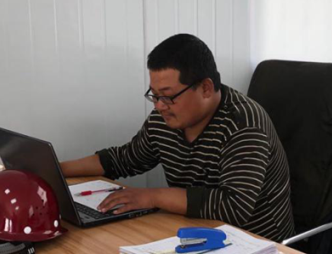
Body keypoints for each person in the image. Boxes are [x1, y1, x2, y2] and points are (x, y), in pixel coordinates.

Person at [60, 34, 295, 242]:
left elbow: (233, 207)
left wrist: (152, 197)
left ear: (205, 88)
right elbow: (123, 159)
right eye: (154, 95)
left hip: (258, 247)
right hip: (195, 234)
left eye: (168, 96)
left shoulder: (244, 124)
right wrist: (57, 170)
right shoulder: (166, 118)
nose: (159, 106)